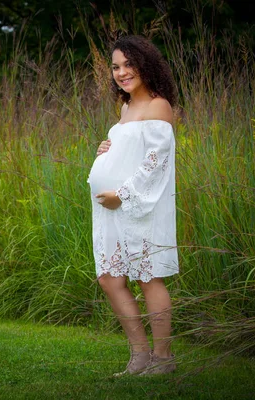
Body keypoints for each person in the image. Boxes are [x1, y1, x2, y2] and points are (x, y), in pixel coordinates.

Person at [87, 35, 179, 376]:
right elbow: (132, 152)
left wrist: (121, 195)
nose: (122, 72)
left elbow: (155, 161)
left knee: (147, 277)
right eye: (115, 66)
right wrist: (105, 151)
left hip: (138, 206)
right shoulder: (125, 108)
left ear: (146, 65)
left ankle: (163, 358)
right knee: (110, 279)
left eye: (128, 64)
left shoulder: (159, 105)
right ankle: (139, 356)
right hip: (109, 209)